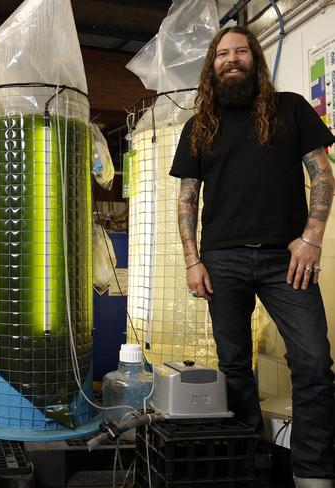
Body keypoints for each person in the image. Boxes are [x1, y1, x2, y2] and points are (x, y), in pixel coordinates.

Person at [171, 26, 335, 488]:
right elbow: (186, 200)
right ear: (212, 66)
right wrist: (191, 259)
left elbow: (322, 174)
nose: (232, 59)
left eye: (241, 51)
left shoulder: (292, 109)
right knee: (234, 369)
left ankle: (313, 473)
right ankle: (249, 465)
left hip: (289, 260)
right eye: (223, 53)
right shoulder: (198, 126)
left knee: (314, 364)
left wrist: (312, 237)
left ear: (255, 58)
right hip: (221, 261)